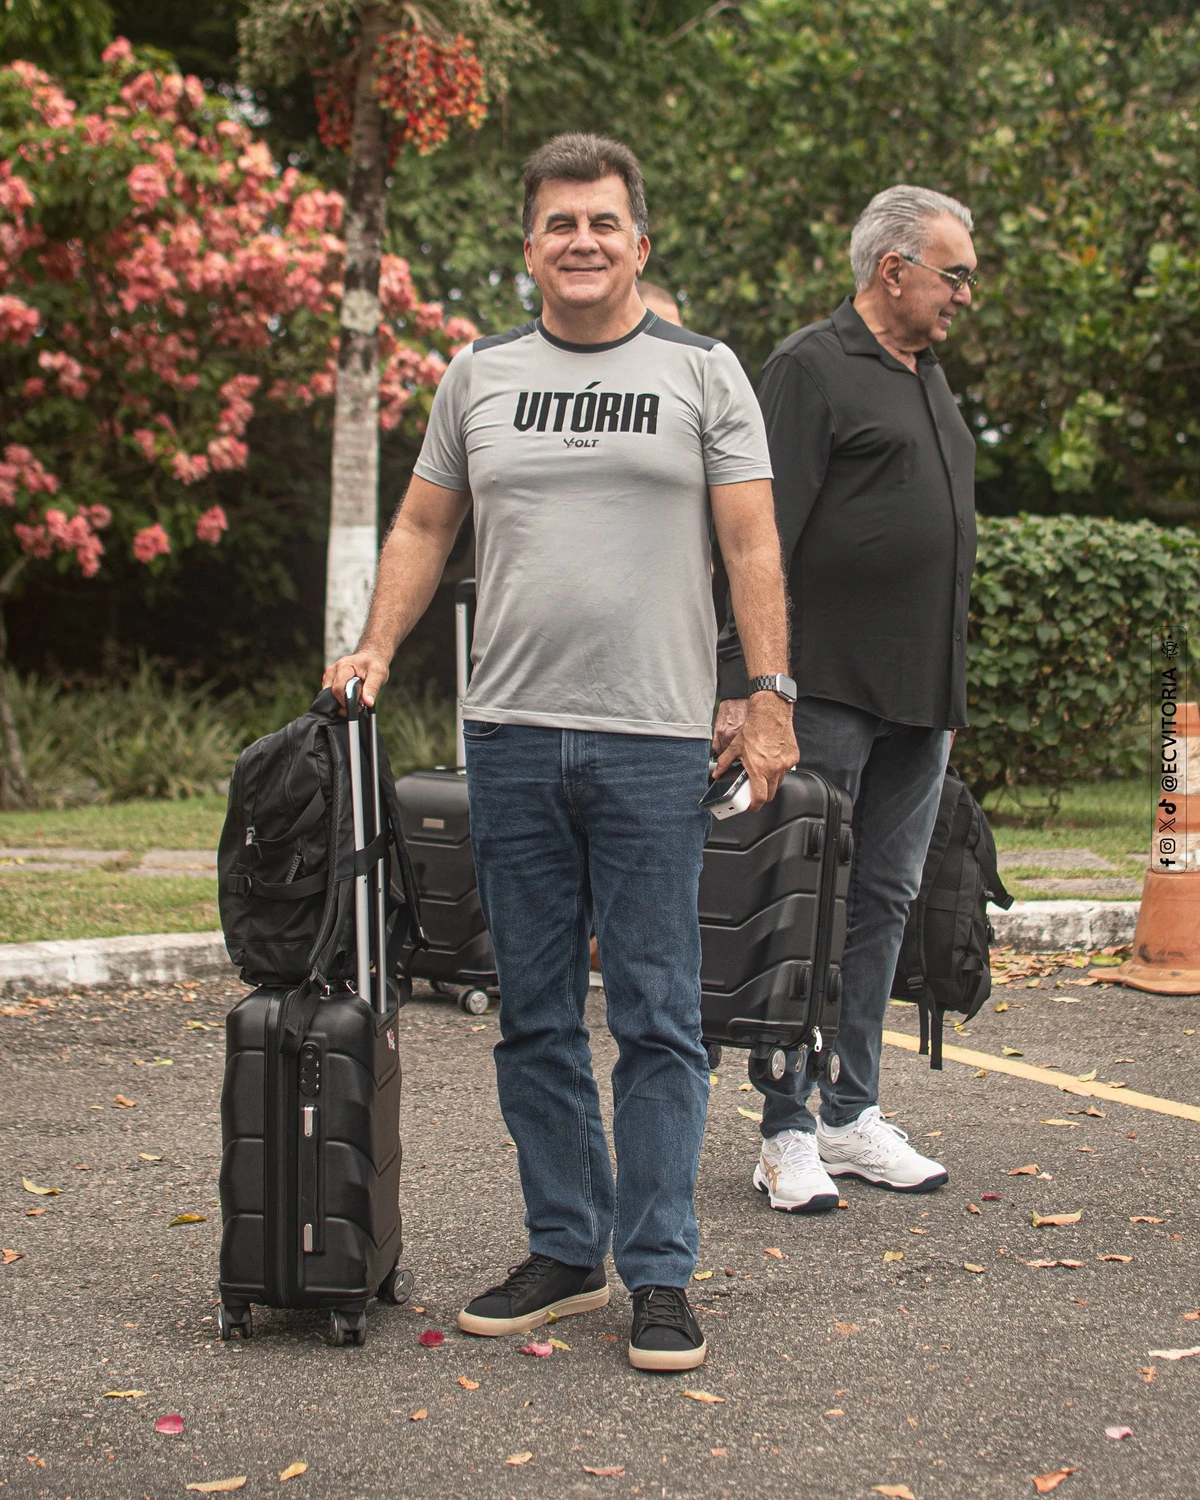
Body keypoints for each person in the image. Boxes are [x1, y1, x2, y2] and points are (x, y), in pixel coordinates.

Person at [324, 132, 797, 1371]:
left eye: (603, 222)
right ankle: (565, 1248)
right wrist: (373, 646)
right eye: (557, 224)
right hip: (512, 737)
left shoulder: (705, 372)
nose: (580, 241)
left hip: (652, 741)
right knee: (529, 1012)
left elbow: (751, 548)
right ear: (528, 245)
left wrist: (769, 694)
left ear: (640, 241)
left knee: (655, 1015)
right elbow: (427, 525)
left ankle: (658, 1271)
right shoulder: (477, 376)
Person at [713, 184, 979, 1212]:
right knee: (805, 910)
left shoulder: (931, 378)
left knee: (884, 903)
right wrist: (749, 683)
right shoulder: (810, 368)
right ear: (893, 270)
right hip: (822, 688)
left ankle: (847, 1108)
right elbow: (755, 535)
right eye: (952, 274)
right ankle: (784, 1129)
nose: (963, 294)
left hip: (922, 698)